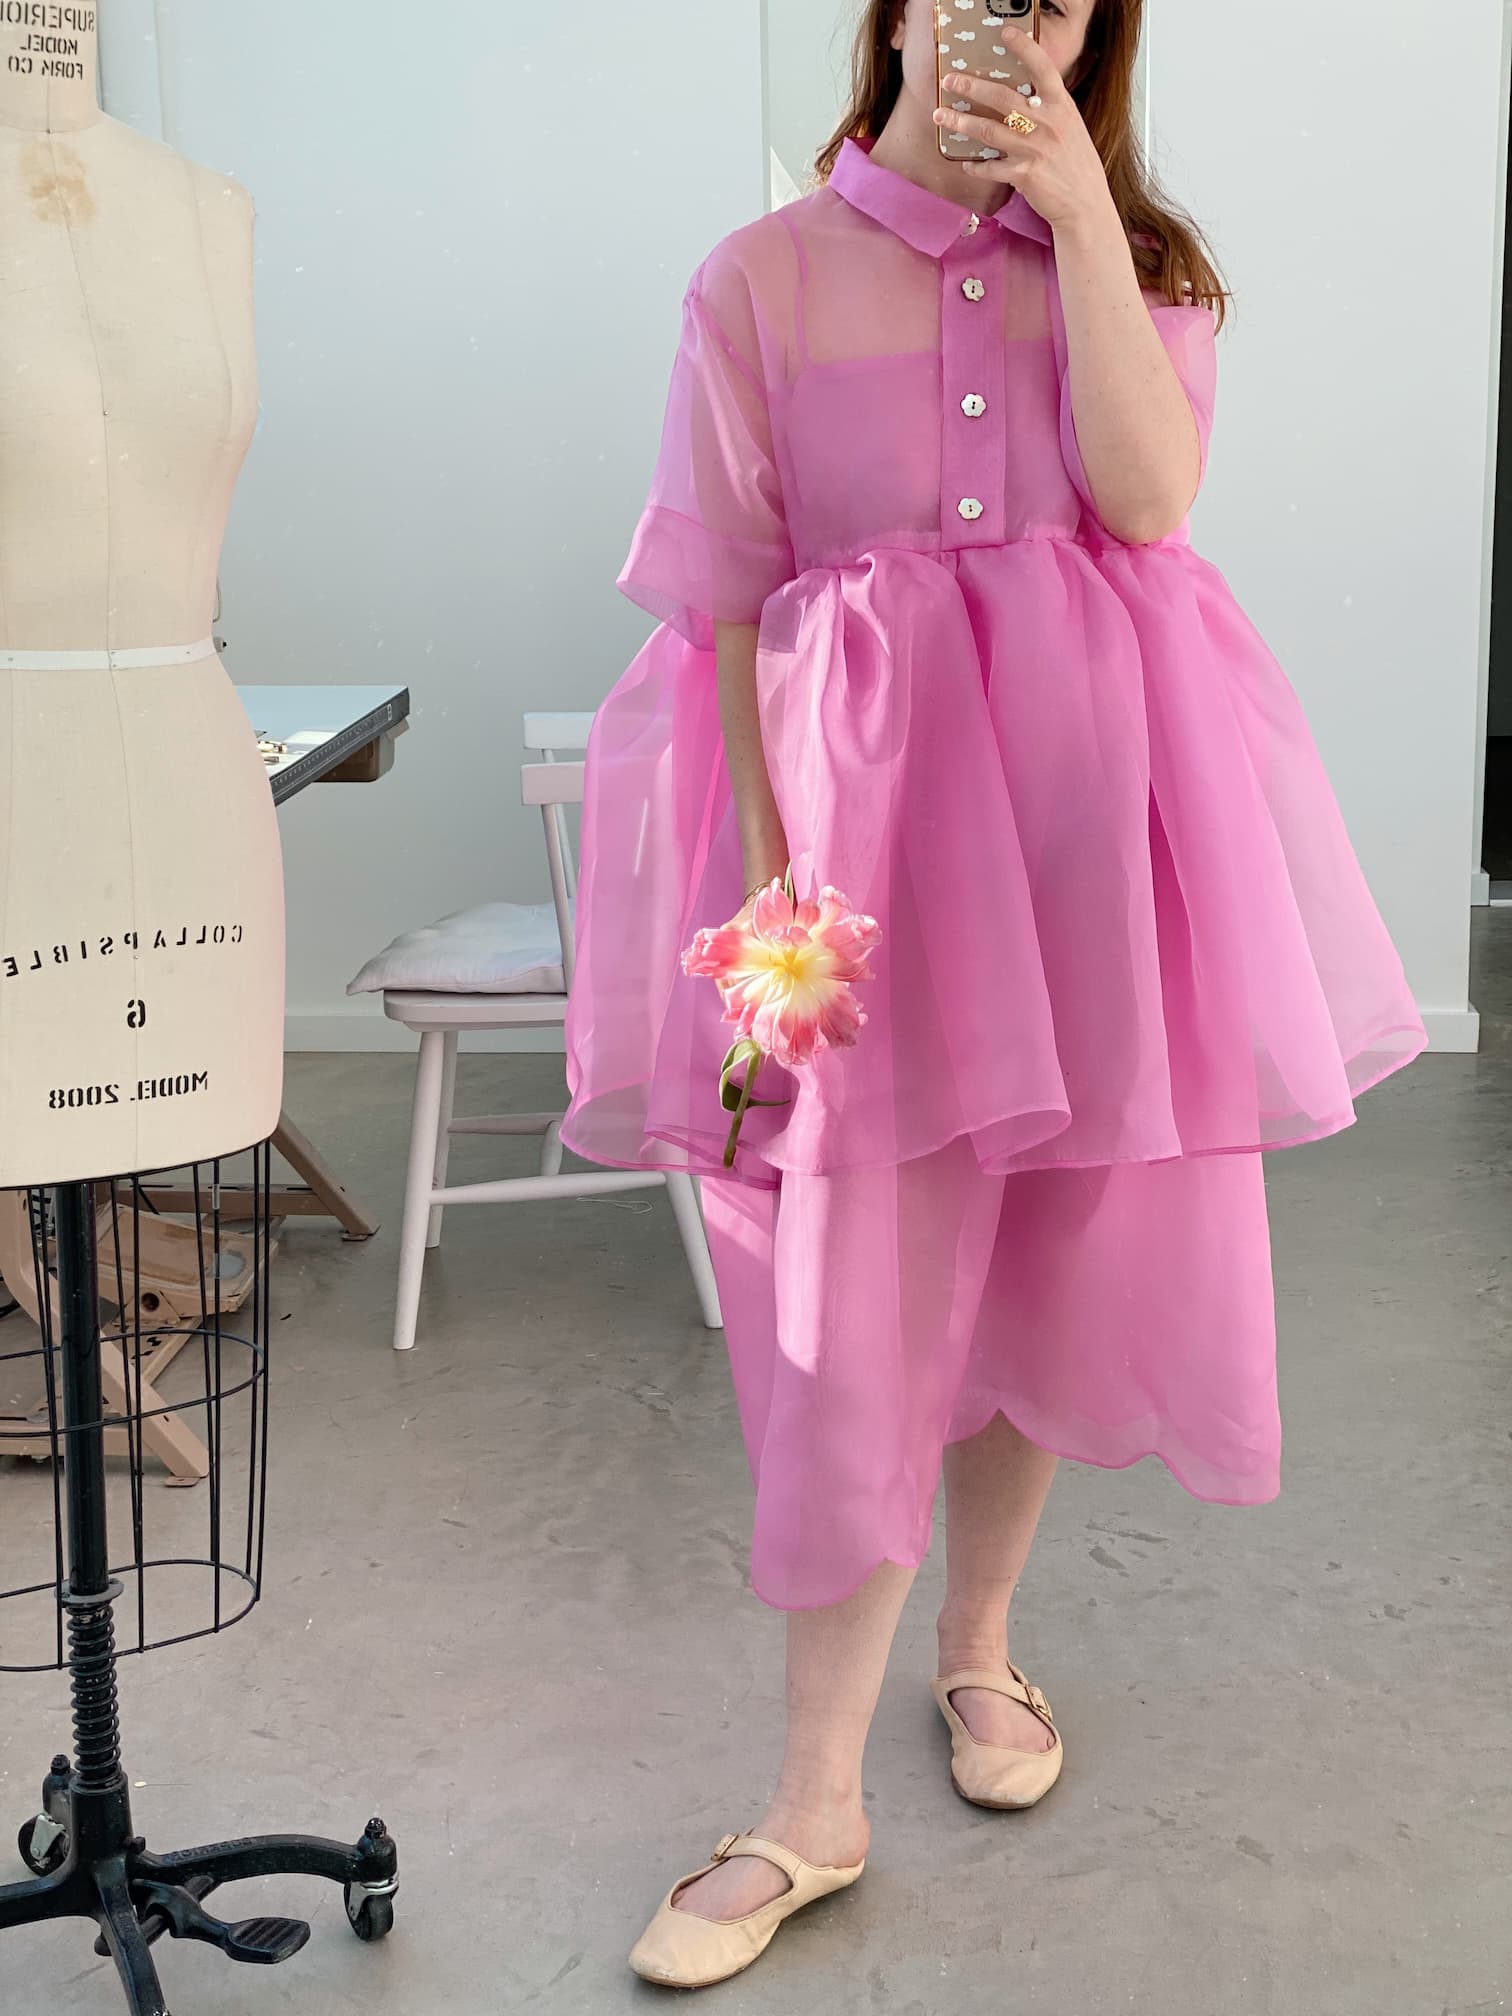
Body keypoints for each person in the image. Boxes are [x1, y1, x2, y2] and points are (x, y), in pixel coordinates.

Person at [560, 0, 1426, 1989]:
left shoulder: (1146, 267)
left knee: (1040, 1258)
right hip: (859, 889)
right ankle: (809, 1801)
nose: (1008, 18)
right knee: (846, 1318)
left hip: (1084, 860)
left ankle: (983, 1650)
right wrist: (775, 930)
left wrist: (1083, 222)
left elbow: (1146, 504)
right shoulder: (758, 281)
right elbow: (717, 621)